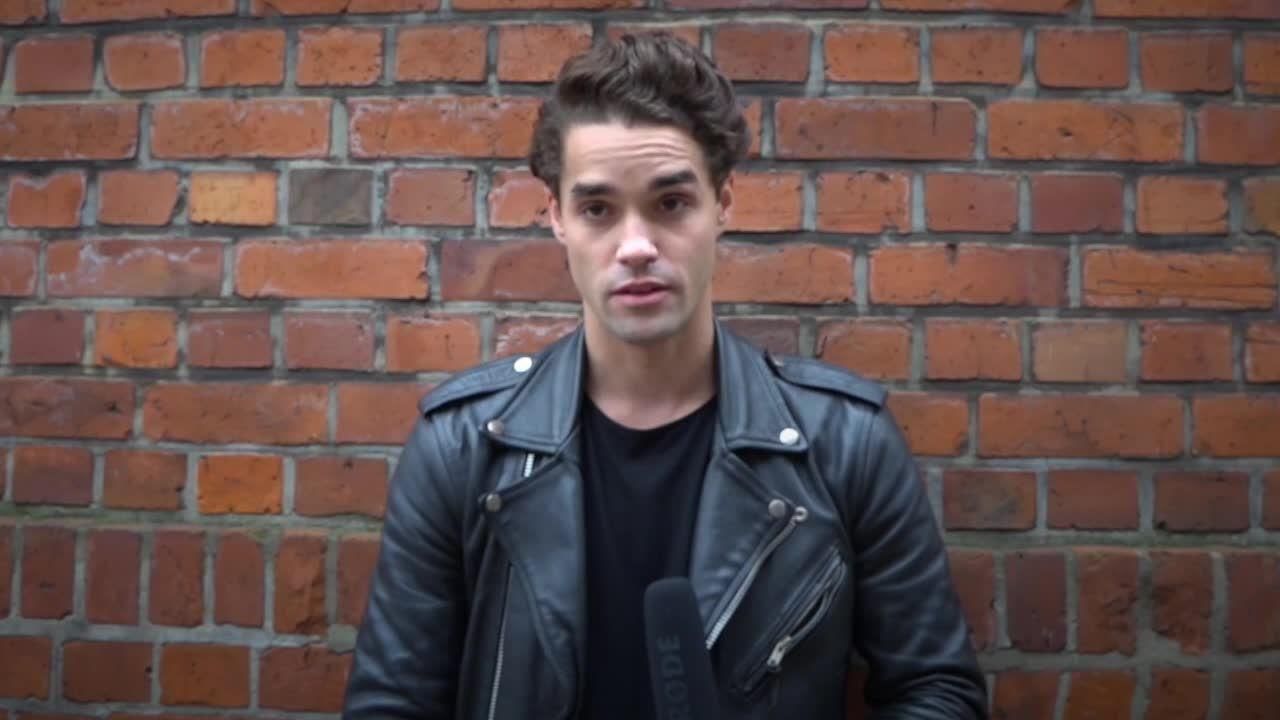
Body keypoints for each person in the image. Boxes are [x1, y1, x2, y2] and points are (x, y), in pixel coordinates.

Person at [341, 32, 988, 720]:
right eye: (598, 209)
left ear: (723, 205)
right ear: (556, 218)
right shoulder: (464, 449)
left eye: (671, 203)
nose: (637, 247)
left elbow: (937, 692)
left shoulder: (844, 445)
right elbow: (392, 704)